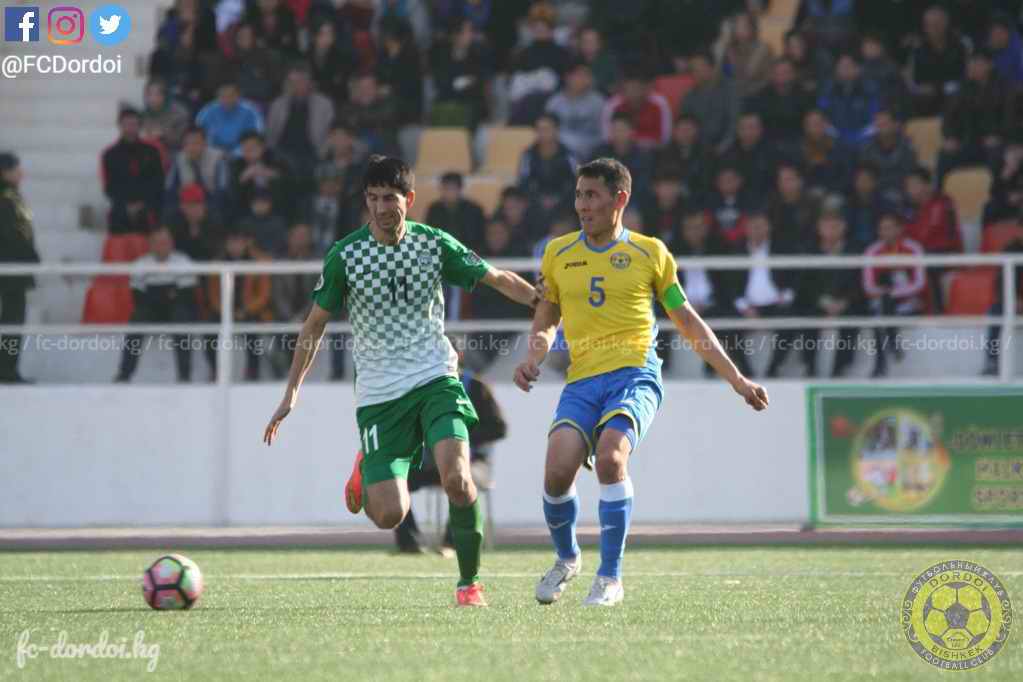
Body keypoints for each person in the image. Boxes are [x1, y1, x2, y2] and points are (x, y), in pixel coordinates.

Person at [263, 156, 540, 607]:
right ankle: (365, 467)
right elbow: (313, 326)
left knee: (458, 478)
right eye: (372, 199)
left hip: (435, 377)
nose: (380, 208)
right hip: (380, 394)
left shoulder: (433, 244)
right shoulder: (346, 256)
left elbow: (495, 278)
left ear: (409, 199)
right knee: (390, 514)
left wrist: (540, 301)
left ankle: (469, 583)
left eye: (389, 198)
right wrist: (292, 392)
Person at [514, 158, 768, 607]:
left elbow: (686, 319)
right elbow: (547, 314)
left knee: (611, 458)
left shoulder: (650, 252)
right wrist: (534, 355)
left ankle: (610, 577)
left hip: (635, 374)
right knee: (556, 471)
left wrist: (737, 379)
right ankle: (567, 558)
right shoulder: (557, 253)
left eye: (592, 195)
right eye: (578, 195)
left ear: (620, 199)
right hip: (582, 380)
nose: (582, 205)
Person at [394, 364, 508, 554]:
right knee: (397, 479)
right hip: (433, 462)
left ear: (458, 356)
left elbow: (499, 428)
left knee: (463, 477)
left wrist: (458, 438)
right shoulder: (423, 388)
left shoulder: (476, 387)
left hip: (474, 462)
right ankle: (409, 543)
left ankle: (451, 543)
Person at [114, 227, 199, 383]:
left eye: (165, 242)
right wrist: (169, 293)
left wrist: (156, 294)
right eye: (158, 243)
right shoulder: (140, 264)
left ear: (172, 244)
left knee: (182, 318)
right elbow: (138, 298)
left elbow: (186, 296)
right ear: (151, 244)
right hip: (150, 310)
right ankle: (124, 375)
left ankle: (184, 377)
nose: (162, 246)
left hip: (176, 310)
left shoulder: (183, 261)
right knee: (137, 319)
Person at [863, 212, 927, 378]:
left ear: (900, 229)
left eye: (889, 228)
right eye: (882, 229)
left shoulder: (913, 248)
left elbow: (919, 282)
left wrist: (894, 292)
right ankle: (892, 346)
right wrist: (886, 293)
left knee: (881, 313)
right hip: (881, 302)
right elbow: (868, 285)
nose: (885, 232)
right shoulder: (872, 250)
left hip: (907, 302)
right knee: (879, 313)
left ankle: (880, 365)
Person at [0, 152, 38, 384]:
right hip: (11, 266)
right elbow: (12, 235)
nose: (20, 173)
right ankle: (6, 370)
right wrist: (29, 255)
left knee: (12, 319)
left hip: (14, 265)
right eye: (15, 169)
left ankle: (7, 368)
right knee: (12, 320)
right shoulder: (6, 198)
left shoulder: (12, 196)